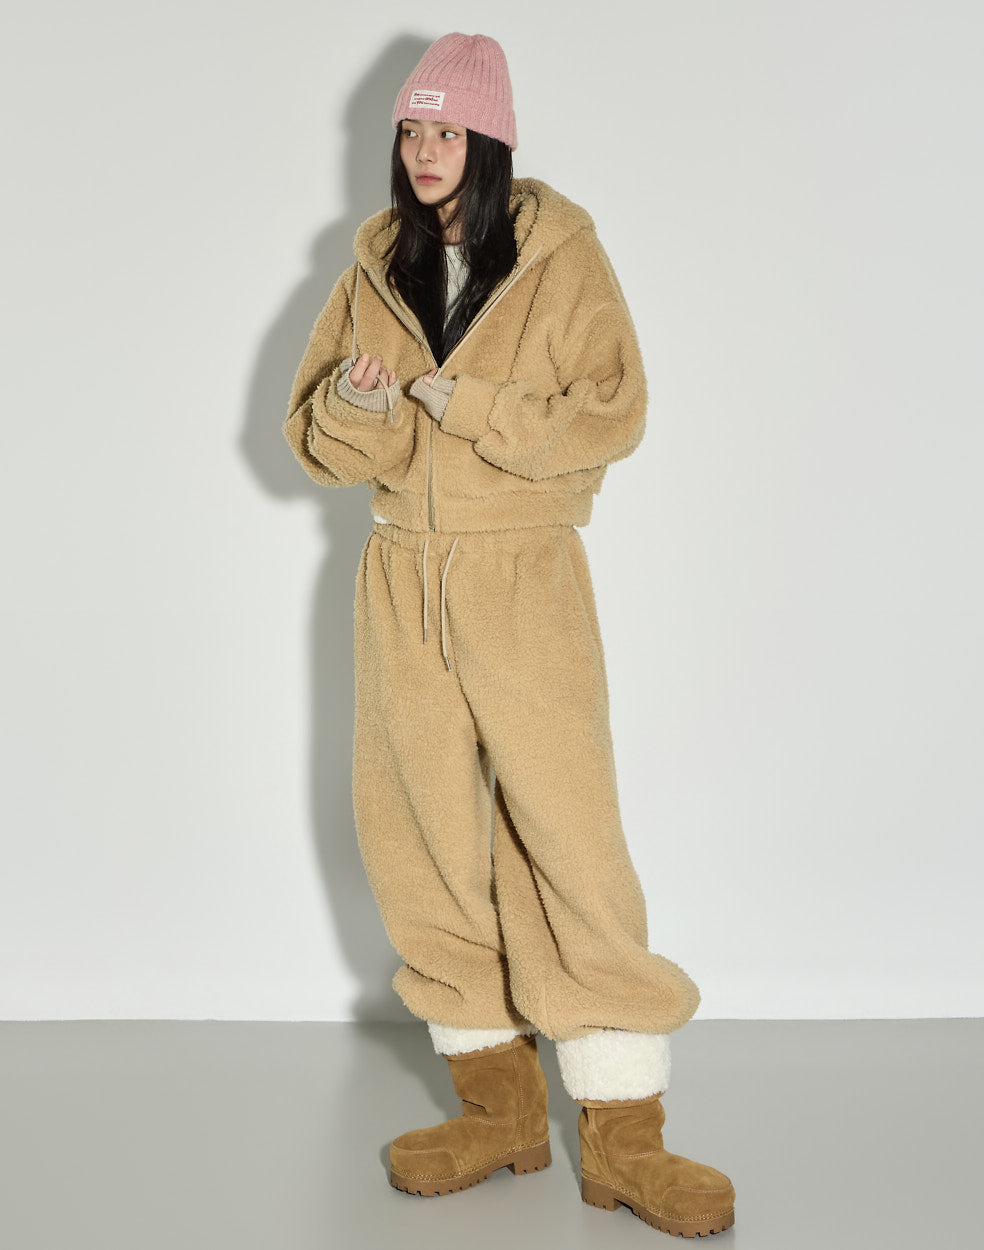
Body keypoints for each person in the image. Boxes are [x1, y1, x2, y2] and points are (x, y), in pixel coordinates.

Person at [283, 31, 735, 1237]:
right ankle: (498, 1107)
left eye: (446, 131)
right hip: (399, 574)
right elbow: (319, 444)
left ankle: (623, 1129)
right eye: (411, 130)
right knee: (418, 833)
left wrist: (471, 404)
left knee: (566, 835)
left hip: (523, 571)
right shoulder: (372, 264)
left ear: (488, 140)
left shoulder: (560, 254)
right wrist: (359, 406)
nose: (424, 151)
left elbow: (613, 411)